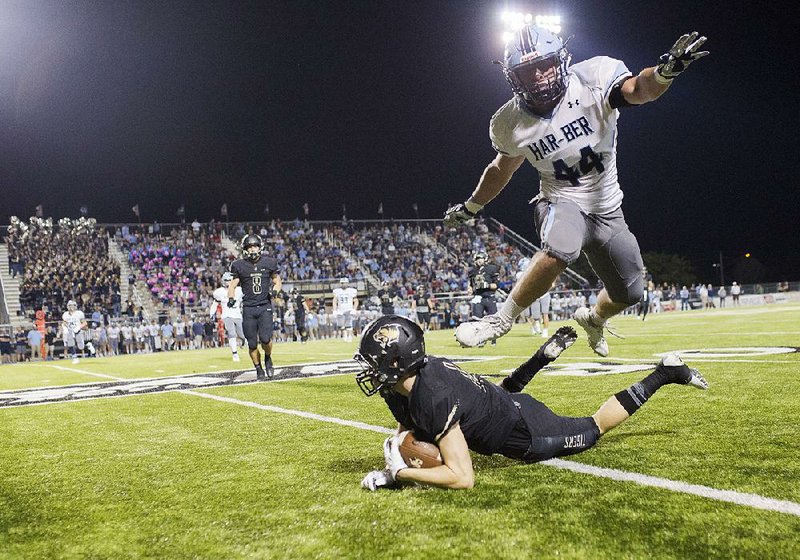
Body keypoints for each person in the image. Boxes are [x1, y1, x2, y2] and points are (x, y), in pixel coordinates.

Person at [444, 26, 709, 356]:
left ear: (561, 60)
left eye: (545, 65)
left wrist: (665, 72)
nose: (538, 76)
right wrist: (471, 207)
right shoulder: (508, 121)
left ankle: (595, 319)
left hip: (607, 207)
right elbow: (502, 169)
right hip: (559, 199)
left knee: (631, 292)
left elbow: (639, 89)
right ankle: (500, 319)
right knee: (561, 248)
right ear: (514, 78)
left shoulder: (594, 78)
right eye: (527, 71)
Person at [356, 316, 708, 491]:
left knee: (594, 426)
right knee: (493, 398)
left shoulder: (433, 394)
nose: (368, 370)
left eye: (373, 362)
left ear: (396, 363)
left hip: (528, 432)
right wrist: (397, 455)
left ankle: (666, 372)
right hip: (503, 401)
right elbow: (411, 423)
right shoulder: (402, 384)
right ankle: (541, 358)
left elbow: (463, 477)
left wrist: (399, 472)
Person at [228, 233, 281, 379]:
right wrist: (231, 298)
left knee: (266, 339)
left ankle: (268, 358)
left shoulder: (269, 262)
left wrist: (275, 292)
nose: (252, 249)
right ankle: (258, 369)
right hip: (249, 308)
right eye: (249, 246)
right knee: (252, 343)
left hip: (264, 306)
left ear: (260, 246)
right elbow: (232, 285)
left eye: (255, 246)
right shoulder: (239, 265)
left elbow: (277, 281)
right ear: (245, 249)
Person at [211, 271, 245, 361]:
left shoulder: (239, 290)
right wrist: (212, 313)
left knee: (242, 335)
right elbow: (215, 303)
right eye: (226, 280)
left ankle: (243, 340)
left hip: (237, 315)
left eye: (229, 280)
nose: (227, 282)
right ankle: (235, 354)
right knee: (232, 333)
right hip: (226, 315)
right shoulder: (219, 292)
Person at [332, 277, 358, 342]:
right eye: (343, 283)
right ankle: (345, 334)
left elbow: (356, 301)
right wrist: (334, 310)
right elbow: (335, 301)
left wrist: (354, 309)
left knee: (349, 324)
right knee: (341, 325)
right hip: (340, 310)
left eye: (345, 283)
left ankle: (349, 336)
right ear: (341, 283)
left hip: (349, 309)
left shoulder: (352, 291)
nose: (344, 284)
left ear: (348, 283)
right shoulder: (337, 291)